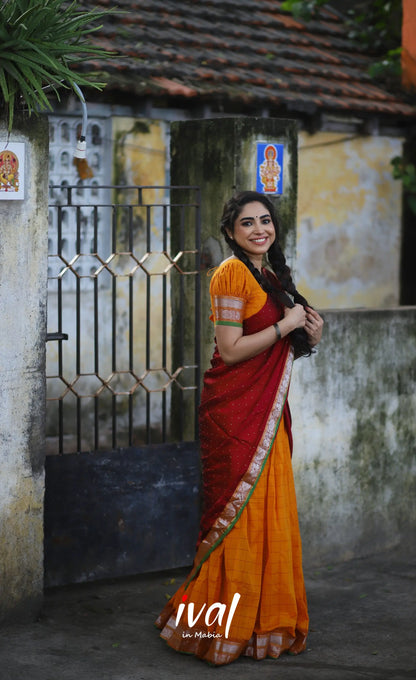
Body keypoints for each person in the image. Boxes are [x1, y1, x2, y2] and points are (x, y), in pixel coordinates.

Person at [155, 190, 324, 665]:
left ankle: (260, 625)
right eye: (246, 223)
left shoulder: (268, 274)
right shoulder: (230, 273)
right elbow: (230, 350)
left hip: (266, 413)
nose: (258, 230)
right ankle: (220, 629)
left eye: (264, 221)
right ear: (231, 233)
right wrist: (286, 323)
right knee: (240, 522)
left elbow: (273, 346)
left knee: (268, 518)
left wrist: (307, 331)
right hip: (234, 417)